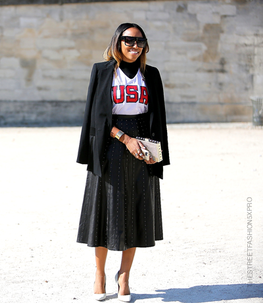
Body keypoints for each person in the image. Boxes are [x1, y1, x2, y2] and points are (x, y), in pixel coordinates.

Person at [76, 23, 170, 302]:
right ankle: (100, 274)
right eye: (128, 40)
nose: (134, 46)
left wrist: (152, 151)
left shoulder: (150, 74)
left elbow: (158, 116)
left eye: (140, 42)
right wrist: (125, 138)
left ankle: (124, 276)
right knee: (104, 212)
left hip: (142, 147)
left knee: (135, 211)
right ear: (117, 42)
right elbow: (96, 115)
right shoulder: (103, 70)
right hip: (109, 145)